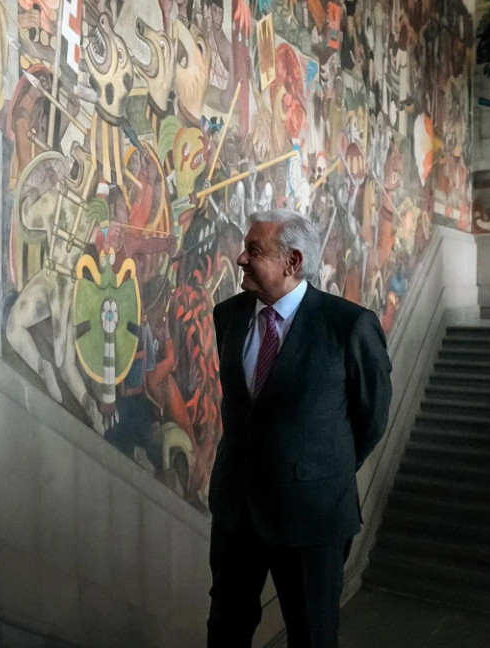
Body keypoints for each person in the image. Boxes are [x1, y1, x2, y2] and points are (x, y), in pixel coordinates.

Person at [206, 209, 392, 648]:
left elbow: (372, 418)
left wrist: (315, 469)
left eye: (254, 251)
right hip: (237, 511)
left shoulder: (349, 325)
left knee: (311, 634)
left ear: (292, 262)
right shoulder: (228, 316)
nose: (241, 259)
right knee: (226, 628)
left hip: (313, 515)